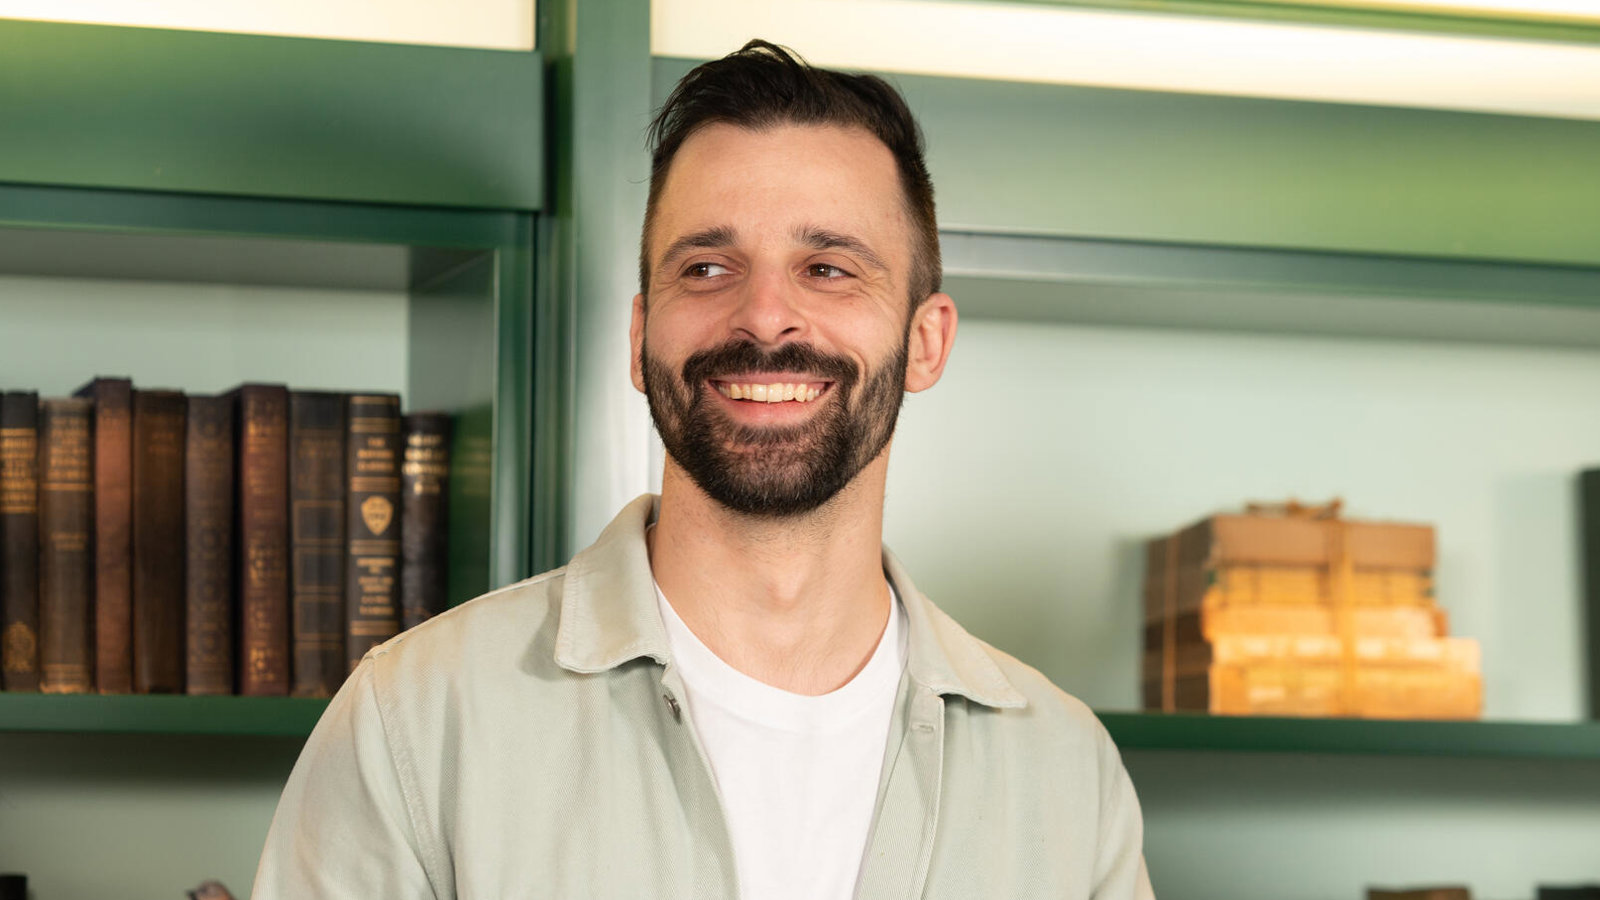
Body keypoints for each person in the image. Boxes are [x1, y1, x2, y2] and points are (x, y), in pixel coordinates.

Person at [252, 40, 1154, 900]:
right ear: (641, 333)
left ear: (926, 342)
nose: (765, 317)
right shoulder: (413, 724)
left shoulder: (1068, 773)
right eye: (710, 266)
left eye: (830, 268)